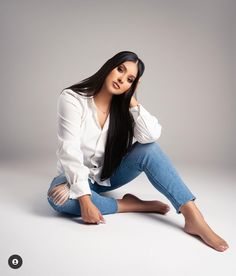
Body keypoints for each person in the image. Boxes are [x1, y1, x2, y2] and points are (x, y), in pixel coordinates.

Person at [47, 51, 229, 252]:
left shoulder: (122, 107)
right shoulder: (72, 99)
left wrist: (132, 100)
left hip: (107, 176)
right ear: (109, 66)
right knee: (58, 200)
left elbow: (151, 136)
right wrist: (84, 198)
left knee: (149, 149)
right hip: (72, 176)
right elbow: (69, 151)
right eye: (120, 69)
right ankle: (131, 205)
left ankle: (193, 216)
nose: (121, 79)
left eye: (129, 79)